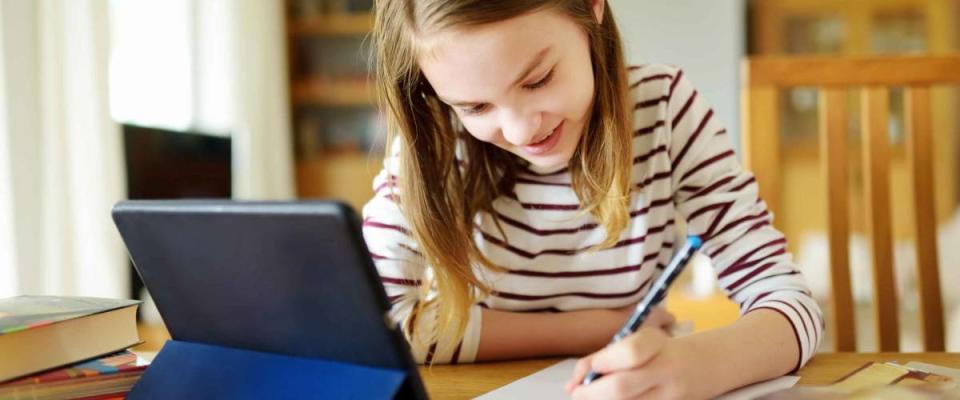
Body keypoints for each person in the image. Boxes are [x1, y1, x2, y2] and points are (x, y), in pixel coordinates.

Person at [362, 1, 823, 398]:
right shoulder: (435, 143)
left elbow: (789, 303)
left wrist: (699, 367)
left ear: (591, 8)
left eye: (538, 80)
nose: (522, 130)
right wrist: (603, 326)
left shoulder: (663, 110)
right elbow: (384, 328)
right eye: (475, 108)